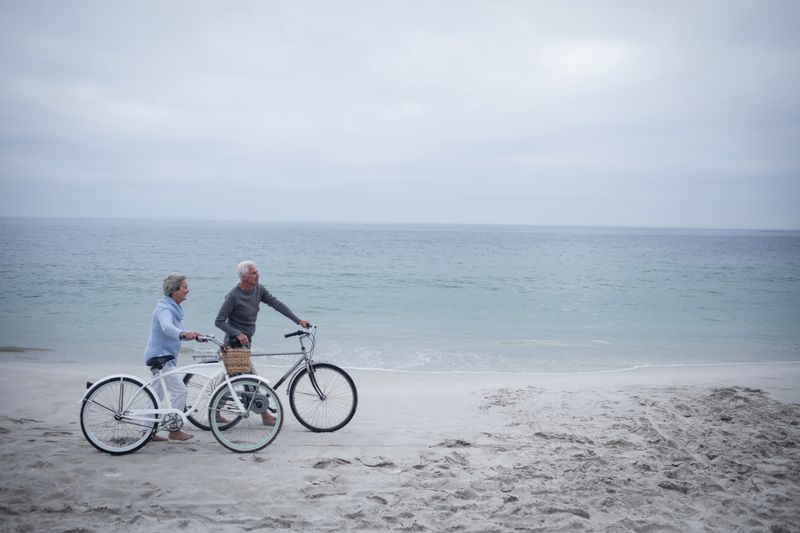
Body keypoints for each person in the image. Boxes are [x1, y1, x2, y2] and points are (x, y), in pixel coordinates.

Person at [215, 260, 310, 424]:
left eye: (257, 272)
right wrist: (237, 333)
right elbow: (219, 321)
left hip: (246, 343)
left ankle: (215, 411)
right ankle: (264, 414)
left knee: (232, 378)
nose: (258, 275)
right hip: (234, 345)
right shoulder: (233, 296)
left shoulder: (259, 290)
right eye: (254, 273)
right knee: (252, 378)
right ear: (244, 277)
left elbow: (276, 304)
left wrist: (298, 320)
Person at [143, 273, 202, 442]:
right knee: (180, 390)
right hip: (161, 358)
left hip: (162, 357)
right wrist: (183, 334)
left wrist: (195, 335)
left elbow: (176, 329)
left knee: (155, 394)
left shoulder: (173, 307)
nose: (187, 290)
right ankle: (174, 429)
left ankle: (146, 431)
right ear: (174, 290)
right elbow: (167, 327)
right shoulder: (165, 309)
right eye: (184, 287)